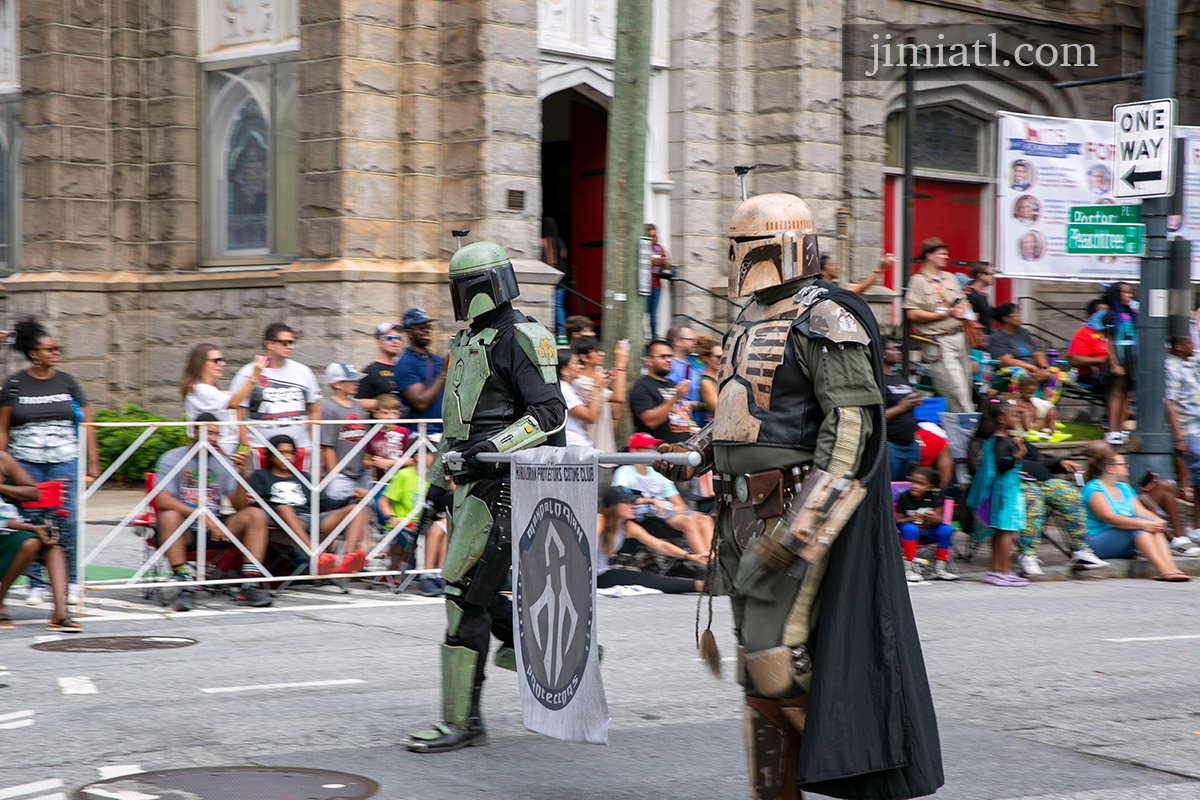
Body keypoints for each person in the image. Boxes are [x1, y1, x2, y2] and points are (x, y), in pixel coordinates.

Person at [655, 190, 942, 799]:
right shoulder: (746, 320)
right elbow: (740, 414)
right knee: (756, 675)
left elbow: (851, 429)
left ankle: (858, 781)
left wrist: (803, 529)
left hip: (788, 512)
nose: (734, 257)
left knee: (776, 665)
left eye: (744, 245)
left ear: (779, 247)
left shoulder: (825, 317)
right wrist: (693, 452)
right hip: (735, 520)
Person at [404, 240, 566, 753]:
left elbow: (549, 415)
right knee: (480, 594)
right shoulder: (469, 340)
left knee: (461, 595)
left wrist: (487, 451)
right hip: (471, 489)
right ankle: (547, 652)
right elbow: (453, 430)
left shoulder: (524, 337)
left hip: (507, 488)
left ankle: (463, 721)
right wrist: (432, 495)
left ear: (477, 288)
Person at [0, 319, 100, 605]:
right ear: (34, 353)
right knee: (30, 521)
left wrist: (93, 461)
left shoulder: (66, 381)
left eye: (58, 348)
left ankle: (70, 582)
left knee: (65, 520)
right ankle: (35, 584)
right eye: (50, 349)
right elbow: (3, 428)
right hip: (25, 463)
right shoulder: (15, 383)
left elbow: (87, 422)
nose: (56, 353)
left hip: (65, 461)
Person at [152, 415, 273, 611]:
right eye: (209, 433)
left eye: (217, 434)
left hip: (216, 528)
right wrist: (205, 518)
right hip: (185, 529)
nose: (214, 439)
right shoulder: (172, 457)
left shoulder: (221, 460)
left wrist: (241, 473)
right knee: (168, 516)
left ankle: (250, 584)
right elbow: (163, 500)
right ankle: (184, 584)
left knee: (255, 515)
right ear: (194, 432)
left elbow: (239, 505)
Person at [248, 434, 368, 576]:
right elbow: (256, 502)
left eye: (290, 453)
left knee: (356, 509)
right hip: (280, 521)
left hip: (310, 518)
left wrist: (352, 497)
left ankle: (348, 558)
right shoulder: (261, 476)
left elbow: (325, 503)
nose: (286, 457)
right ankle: (315, 557)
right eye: (281, 453)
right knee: (285, 508)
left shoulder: (303, 477)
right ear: (271, 456)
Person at [1081, 450, 1189, 581]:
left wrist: (1157, 521)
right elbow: (1108, 517)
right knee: (1140, 527)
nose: (1126, 466)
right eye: (1122, 464)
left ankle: (1171, 567)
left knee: (1153, 526)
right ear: (1110, 469)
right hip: (1096, 541)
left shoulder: (1124, 488)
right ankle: (1163, 570)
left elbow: (1140, 511)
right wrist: (1144, 523)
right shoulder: (1093, 488)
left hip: (1123, 537)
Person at [0, 453, 78, 631]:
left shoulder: (3, 459)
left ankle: (60, 613)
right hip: (13, 528)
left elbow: (33, 493)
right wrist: (32, 529)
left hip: (14, 528)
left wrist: (2, 488)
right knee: (32, 542)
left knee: (52, 544)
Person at [229, 322, 322, 470]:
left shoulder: (303, 371)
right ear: (269, 344)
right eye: (285, 342)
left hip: (298, 448)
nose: (291, 346)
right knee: (259, 491)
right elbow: (236, 411)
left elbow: (314, 408)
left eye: (292, 342)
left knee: (299, 490)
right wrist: (245, 444)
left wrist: (312, 441)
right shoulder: (248, 372)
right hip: (259, 448)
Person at [904, 236, 974, 412]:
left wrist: (961, 307)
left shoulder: (950, 277)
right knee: (955, 390)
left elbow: (965, 302)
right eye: (942, 253)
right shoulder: (918, 281)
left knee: (965, 388)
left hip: (960, 338)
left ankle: (962, 430)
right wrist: (939, 316)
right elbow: (912, 313)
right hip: (939, 342)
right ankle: (969, 431)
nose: (946, 256)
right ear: (929, 255)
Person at [616, 432, 714, 559]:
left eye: (654, 448)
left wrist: (679, 508)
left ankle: (715, 559)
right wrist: (650, 501)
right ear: (634, 450)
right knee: (689, 521)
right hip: (647, 517)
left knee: (704, 519)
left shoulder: (657, 472)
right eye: (648, 448)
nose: (653, 452)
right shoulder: (624, 472)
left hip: (665, 513)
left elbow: (678, 503)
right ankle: (705, 562)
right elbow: (620, 497)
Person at [966, 400, 1029, 587]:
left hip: (1000, 491)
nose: (1016, 418)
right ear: (1001, 419)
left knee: (999, 533)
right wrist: (1020, 453)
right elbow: (1002, 465)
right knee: (1007, 532)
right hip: (1005, 493)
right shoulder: (1003, 442)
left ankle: (994, 570)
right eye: (1013, 415)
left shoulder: (993, 441)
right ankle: (1004, 571)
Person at [595, 486, 705, 593]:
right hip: (589, 578)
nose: (633, 506)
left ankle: (701, 585)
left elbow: (660, 545)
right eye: (627, 503)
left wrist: (691, 556)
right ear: (613, 506)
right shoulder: (599, 521)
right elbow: (587, 551)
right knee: (643, 579)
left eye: (633, 502)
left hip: (602, 573)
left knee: (644, 576)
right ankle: (700, 586)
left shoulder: (627, 526)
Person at [379, 447, 446, 597]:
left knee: (443, 525)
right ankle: (429, 576)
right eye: (431, 455)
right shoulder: (404, 475)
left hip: (426, 521)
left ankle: (438, 575)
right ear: (418, 457)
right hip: (405, 523)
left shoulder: (434, 478)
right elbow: (383, 500)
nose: (434, 459)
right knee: (439, 527)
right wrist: (391, 517)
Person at [987, 303, 1064, 403]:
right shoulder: (997, 337)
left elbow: (1037, 353)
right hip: (1011, 371)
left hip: (1032, 369)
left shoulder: (1023, 333)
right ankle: (1021, 403)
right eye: (1016, 315)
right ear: (1005, 318)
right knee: (1021, 374)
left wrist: (1044, 368)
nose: (1020, 318)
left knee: (1055, 372)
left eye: (1020, 315)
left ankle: (1046, 404)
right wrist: (1033, 368)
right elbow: (1006, 360)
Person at [1164, 335, 1200, 542]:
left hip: (1198, 428)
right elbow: (1170, 402)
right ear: (1178, 346)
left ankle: (1197, 528)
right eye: (1188, 343)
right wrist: (1178, 437)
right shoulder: (1172, 368)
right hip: (1189, 431)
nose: (1193, 345)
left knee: (1198, 482)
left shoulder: (1189, 362)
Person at [895, 466, 957, 583]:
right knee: (910, 528)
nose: (914, 486)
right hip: (909, 535)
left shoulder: (933, 497)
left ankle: (939, 568)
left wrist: (934, 518)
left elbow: (939, 519)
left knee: (946, 529)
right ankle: (909, 568)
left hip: (928, 533)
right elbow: (898, 521)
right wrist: (910, 519)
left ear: (929, 487)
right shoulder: (904, 497)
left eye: (920, 484)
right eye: (913, 482)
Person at [320, 362, 370, 501]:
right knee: (339, 510)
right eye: (351, 380)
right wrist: (334, 475)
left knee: (363, 510)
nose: (356, 382)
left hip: (360, 473)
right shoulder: (329, 408)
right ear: (337, 384)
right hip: (341, 475)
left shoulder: (357, 406)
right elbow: (327, 446)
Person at [394, 308, 447, 437]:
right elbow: (421, 402)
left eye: (427, 326)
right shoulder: (405, 362)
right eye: (420, 327)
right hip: (424, 435)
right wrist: (443, 373)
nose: (426, 330)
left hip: (446, 433)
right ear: (408, 333)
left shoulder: (437, 359)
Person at [570, 335, 627, 452]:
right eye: (596, 351)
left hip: (604, 447)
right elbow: (619, 397)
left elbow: (616, 414)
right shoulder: (580, 382)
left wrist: (613, 383)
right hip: (592, 451)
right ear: (584, 357)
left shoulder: (596, 381)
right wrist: (620, 365)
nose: (602, 354)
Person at [629, 339, 692, 444]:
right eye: (663, 357)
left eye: (670, 356)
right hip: (658, 453)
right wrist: (676, 397)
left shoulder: (673, 384)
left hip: (683, 450)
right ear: (648, 361)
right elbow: (651, 421)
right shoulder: (642, 387)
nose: (668, 360)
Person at [883, 337, 924, 481]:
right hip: (891, 444)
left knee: (905, 488)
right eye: (892, 348)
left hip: (910, 444)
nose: (898, 352)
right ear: (882, 353)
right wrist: (901, 407)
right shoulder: (878, 380)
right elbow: (875, 416)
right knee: (889, 488)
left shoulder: (899, 378)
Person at [1102, 282, 1137, 444]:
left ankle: (1122, 428)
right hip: (1118, 356)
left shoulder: (1131, 313)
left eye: (1130, 293)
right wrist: (1114, 363)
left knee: (1127, 395)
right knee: (1117, 393)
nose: (1129, 296)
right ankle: (1112, 430)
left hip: (1132, 357)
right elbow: (1108, 341)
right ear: (1116, 295)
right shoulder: (1110, 315)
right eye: (1125, 293)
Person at [1066, 299, 1110, 398]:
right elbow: (1075, 360)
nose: (1107, 315)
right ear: (1091, 315)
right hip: (1092, 373)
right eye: (1102, 313)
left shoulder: (1110, 332)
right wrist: (1103, 361)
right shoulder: (1082, 333)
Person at [356, 323, 405, 410]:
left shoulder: (403, 367)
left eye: (398, 338)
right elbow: (357, 402)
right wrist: (381, 403)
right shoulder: (371, 371)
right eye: (389, 338)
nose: (395, 341)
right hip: (383, 422)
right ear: (378, 342)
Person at [557, 349, 598, 447]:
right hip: (573, 446)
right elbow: (590, 416)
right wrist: (597, 387)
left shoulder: (568, 387)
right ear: (564, 369)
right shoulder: (563, 389)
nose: (581, 367)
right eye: (576, 363)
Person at [1013, 376, 1067, 442]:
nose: (1031, 395)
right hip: (1022, 428)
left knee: (1051, 410)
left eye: (1032, 393)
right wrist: (1024, 410)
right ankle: (1031, 434)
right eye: (1028, 393)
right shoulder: (1016, 402)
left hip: (1034, 423)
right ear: (1020, 391)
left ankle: (1055, 433)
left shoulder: (1032, 401)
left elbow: (1037, 409)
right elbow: (1014, 410)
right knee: (1026, 413)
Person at [541, 218, 569, 338]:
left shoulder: (542, 242)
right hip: (560, 276)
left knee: (547, 304)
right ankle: (561, 332)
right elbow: (564, 256)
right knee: (558, 305)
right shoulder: (561, 242)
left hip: (546, 278)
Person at [817, 252, 892, 295]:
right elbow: (859, 289)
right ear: (822, 271)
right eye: (831, 265)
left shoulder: (836, 284)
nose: (836, 268)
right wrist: (878, 269)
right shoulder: (825, 289)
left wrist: (879, 270)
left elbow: (860, 287)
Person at [665, 323, 702, 405]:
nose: (694, 343)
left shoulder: (695, 362)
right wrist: (699, 405)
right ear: (677, 342)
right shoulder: (669, 365)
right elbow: (670, 399)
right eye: (690, 340)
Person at [694, 335, 721, 429]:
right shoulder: (705, 382)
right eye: (718, 357)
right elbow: (718, 408)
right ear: (706, 358)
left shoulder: (719, 376)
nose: (721, 360)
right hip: (713, 428)